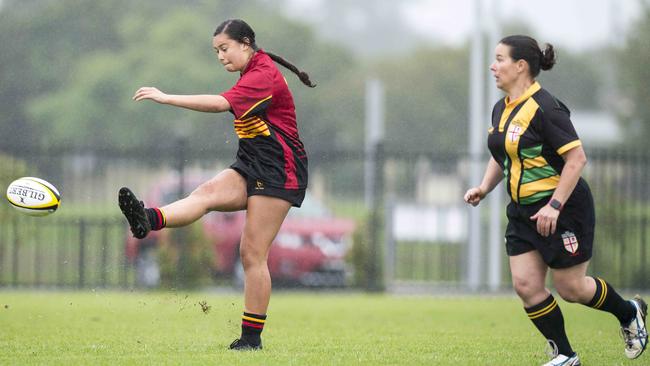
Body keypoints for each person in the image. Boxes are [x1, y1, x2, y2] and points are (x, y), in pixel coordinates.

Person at [118, 19, 314, 351]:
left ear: (246, 44)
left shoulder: (263, 75)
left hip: (281, 171)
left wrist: (166, 98)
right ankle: (147, 221)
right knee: (205, 194)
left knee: (252, 253)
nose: (220, 56)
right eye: (216, 52)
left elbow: (219, 103)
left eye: (225, 49)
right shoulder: (251, 72)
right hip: (252, 164)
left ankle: (251, 340)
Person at [463, 35, 647, 365]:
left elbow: (577, 159)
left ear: (521, 66)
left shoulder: (546, 108)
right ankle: (565, 355)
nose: (493, 66)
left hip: (563, 208)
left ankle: (629, 312)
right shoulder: (500, 108)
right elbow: (503, 155)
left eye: (500, 59)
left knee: (571, 288)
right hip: (523, 212)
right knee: (525, 285)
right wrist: (484, 187)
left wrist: (555, 205)